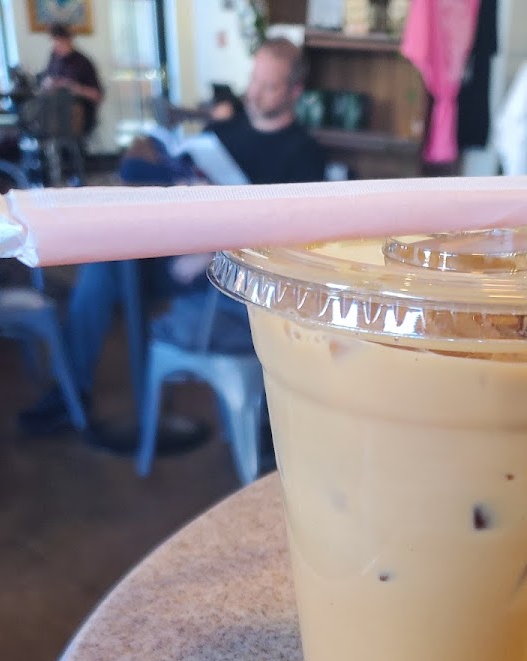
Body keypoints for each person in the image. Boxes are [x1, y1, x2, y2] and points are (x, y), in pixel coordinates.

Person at [19, 37, 325, 437]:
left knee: (120, 273)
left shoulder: (303, 154)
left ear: (295, 92)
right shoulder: (224, 130)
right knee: (101, 269)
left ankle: (155, 411)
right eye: (253, 80)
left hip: (228, 275)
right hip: (181, 249)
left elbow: (287, 239)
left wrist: (211, 252)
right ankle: (71, 395)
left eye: (268, 86)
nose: (253, 92)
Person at [41, 23, 103, 137]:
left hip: (79, 114)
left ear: (68, 40)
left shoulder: (83, 63)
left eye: (59, 42)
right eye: (54, 42)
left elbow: (97, 95)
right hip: (55, 111)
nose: (56, 46)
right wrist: (48, 83)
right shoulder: (54, 58)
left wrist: (74, 87)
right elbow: (46, 80)